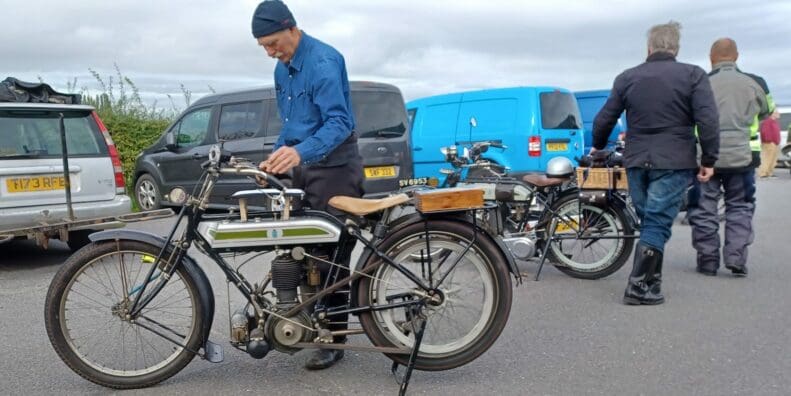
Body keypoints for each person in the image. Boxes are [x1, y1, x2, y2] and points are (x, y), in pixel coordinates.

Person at [251, 0, 363, 369]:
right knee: (296, 245)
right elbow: (291, 125)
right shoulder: (282, 70)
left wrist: (300, 153)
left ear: (292, 29)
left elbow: (338, 123)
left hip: (334, 166)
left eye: (273, 44)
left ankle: (334, 340)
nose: (270, 53)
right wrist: (275, 158)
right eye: (263, 47)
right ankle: (302, 322)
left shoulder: (323, 62)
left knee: (331, 255)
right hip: (302, 163)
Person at [591, 21, 719, 305]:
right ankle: (638, 288)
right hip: (674, 159)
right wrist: (708, 159)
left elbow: (604, 119)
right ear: (676, 48)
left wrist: (597, 146)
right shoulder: (693, 75)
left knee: (651, 220)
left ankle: (652, 283)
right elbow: (708, 120)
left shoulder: (627, 78)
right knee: (657, 221)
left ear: (649, 47)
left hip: (636, 160)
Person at [687, 38, 774, 277]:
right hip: (743, 157)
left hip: (707, 158)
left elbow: (689, 116)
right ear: (736, 57)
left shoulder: (700, 83)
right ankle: (736, 257)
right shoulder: (756, 83)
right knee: (740, 206)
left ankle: (708, 261)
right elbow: (768, 111)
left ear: (711, 58)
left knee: (704, 208)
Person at [758, 109, 781, 178]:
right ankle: (763, 173)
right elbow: (765, 132)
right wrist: (770, 141)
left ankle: (769, 172)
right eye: (777, 113)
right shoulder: (767, 122)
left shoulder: (775, 122)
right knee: (767, 158)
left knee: (773, 160)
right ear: (772, 114)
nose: (779, 114)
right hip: (769, 143)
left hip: (775, 143)